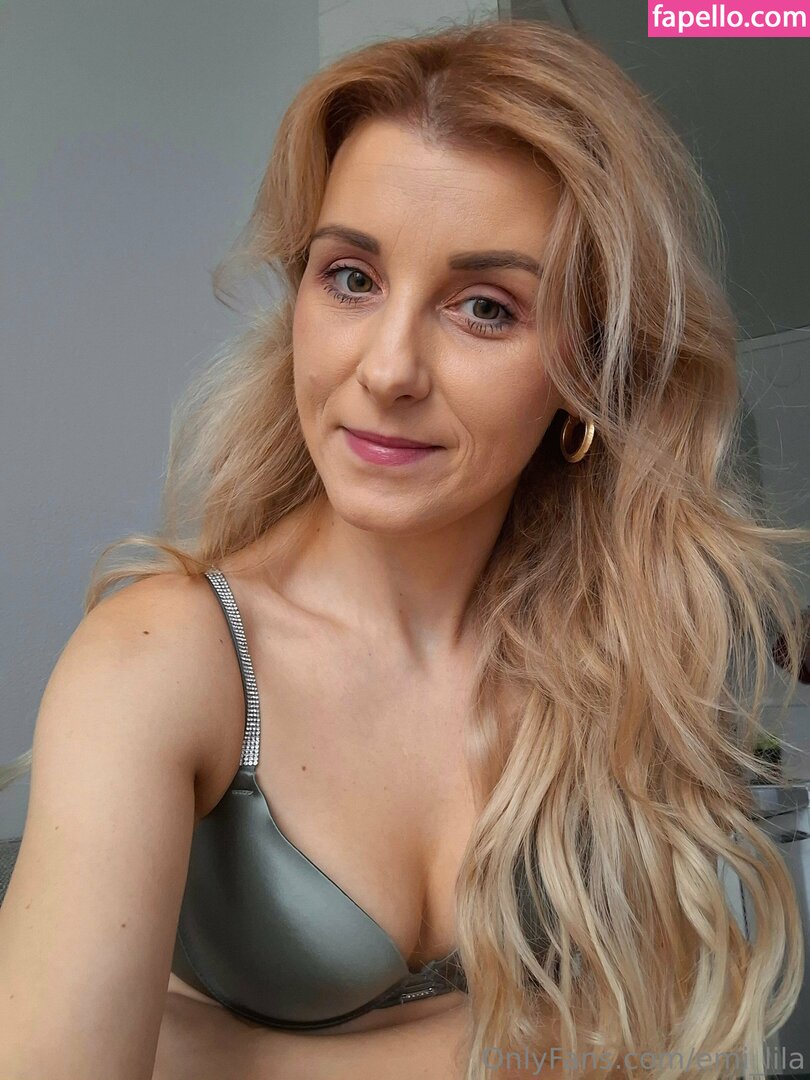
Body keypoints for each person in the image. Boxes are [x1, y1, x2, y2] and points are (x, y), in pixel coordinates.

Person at [1, 15, 808, 1080]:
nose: (387, 370)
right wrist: (510, 1046)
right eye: (352, 278)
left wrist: (220, 1050)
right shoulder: (161, 659)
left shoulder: (626, 652)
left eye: (485, 308)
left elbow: (673, 1024)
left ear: (588, 371)